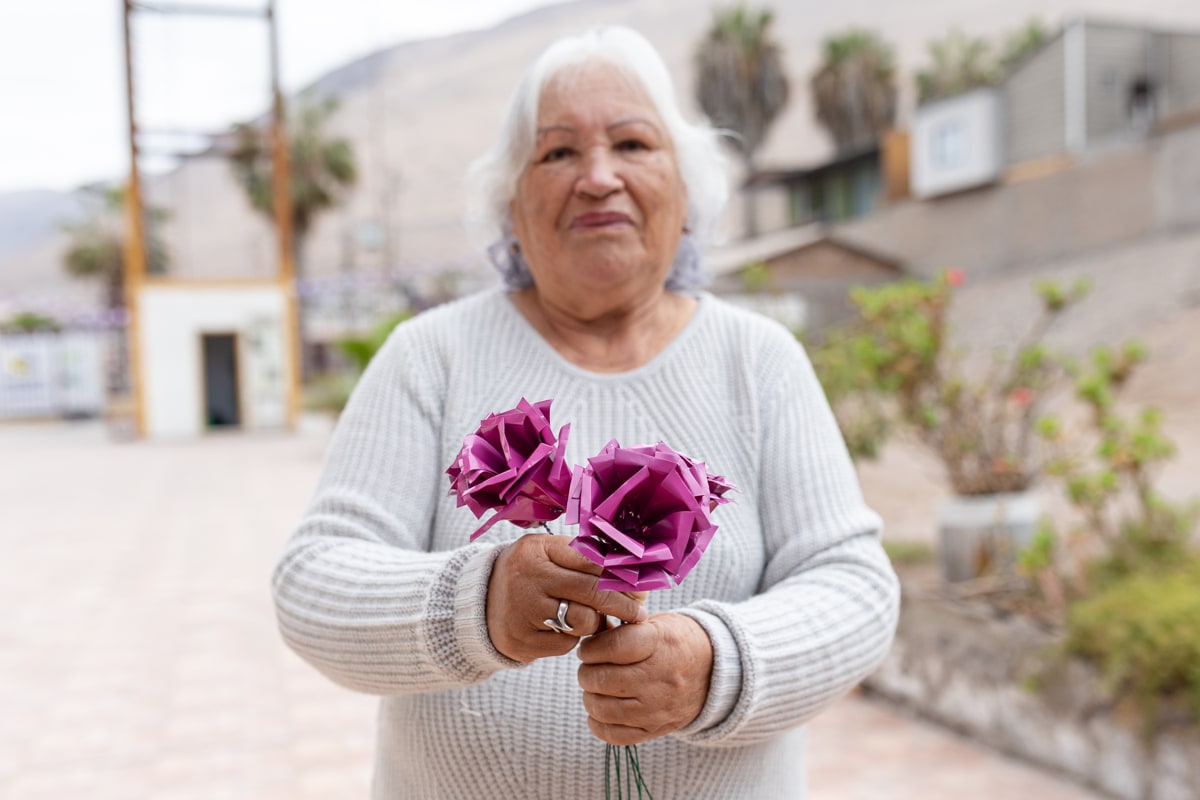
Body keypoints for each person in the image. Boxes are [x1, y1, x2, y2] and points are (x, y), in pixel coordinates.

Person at [272, 25, 899, 799]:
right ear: (512, 203)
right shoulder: (430, 356)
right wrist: (481, 603)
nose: (598, 177)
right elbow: (313, 584)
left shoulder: (758, 361)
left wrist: (714, 664)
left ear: (687, 193)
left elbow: (855, 589)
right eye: (558, 152)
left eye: (633, 144)